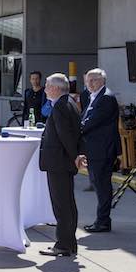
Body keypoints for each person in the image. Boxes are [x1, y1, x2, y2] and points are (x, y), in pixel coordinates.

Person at [38, 74, 81, 257]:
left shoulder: (61, 106)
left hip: (59, 163)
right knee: (68, 204)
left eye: (47, 85)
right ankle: (69, 243)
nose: (45, 88)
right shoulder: (67, 102)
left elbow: (66, 136)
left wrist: (75, 157)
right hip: (62, 162)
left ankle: (63, 245)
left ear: (55, 88)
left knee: (62, 205)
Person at [77, 68, 120, 233]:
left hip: (103, 148)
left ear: (102, 81)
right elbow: (85, 117)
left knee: (102, 185)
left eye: (93, 80)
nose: (89, 83)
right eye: (87, 80)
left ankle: (103, 221)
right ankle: (102, 220)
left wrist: (76, 129)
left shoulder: (106, 98)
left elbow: (92, 122)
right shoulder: (92, 96)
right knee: (97, 183)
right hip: (94, 148)